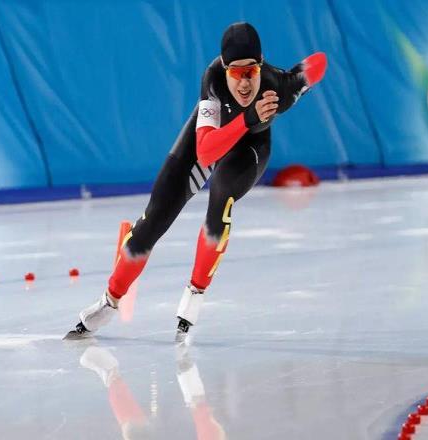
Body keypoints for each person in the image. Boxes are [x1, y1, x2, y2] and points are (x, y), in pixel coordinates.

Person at [65, 22, 327, 340]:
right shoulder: (213, 80)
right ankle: (109, 301)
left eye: (251, 72)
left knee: (221, 195)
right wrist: (249, 118)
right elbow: (204, 153)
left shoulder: (278, 87)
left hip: (249, 150)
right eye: (236, 72)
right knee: (152, 220)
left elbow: (319, 62)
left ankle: (196, 292)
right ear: (224, 68)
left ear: (261, 64)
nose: (244, 83)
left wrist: (301, 77)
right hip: (211, 138)